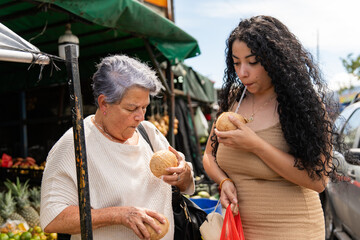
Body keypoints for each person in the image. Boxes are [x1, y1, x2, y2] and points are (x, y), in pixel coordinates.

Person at [203, 15, 336, 240]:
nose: (242, 72)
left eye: (252, 62)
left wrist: (255, 145)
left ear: (275, 59)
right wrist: (223, 181)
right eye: (236, 62)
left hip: (293, 230)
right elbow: (208, 155)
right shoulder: (233, 101)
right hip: (239, 230)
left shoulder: (301, 104)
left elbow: (319, 181)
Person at [40, 55, 195, 240]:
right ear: (104, 103)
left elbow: (186, 185)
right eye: (131, 109)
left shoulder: (148, 133)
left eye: (144, 107)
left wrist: (183, 174)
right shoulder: (75, 144)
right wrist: (119, 215)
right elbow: (53, 219)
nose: (140, 117)